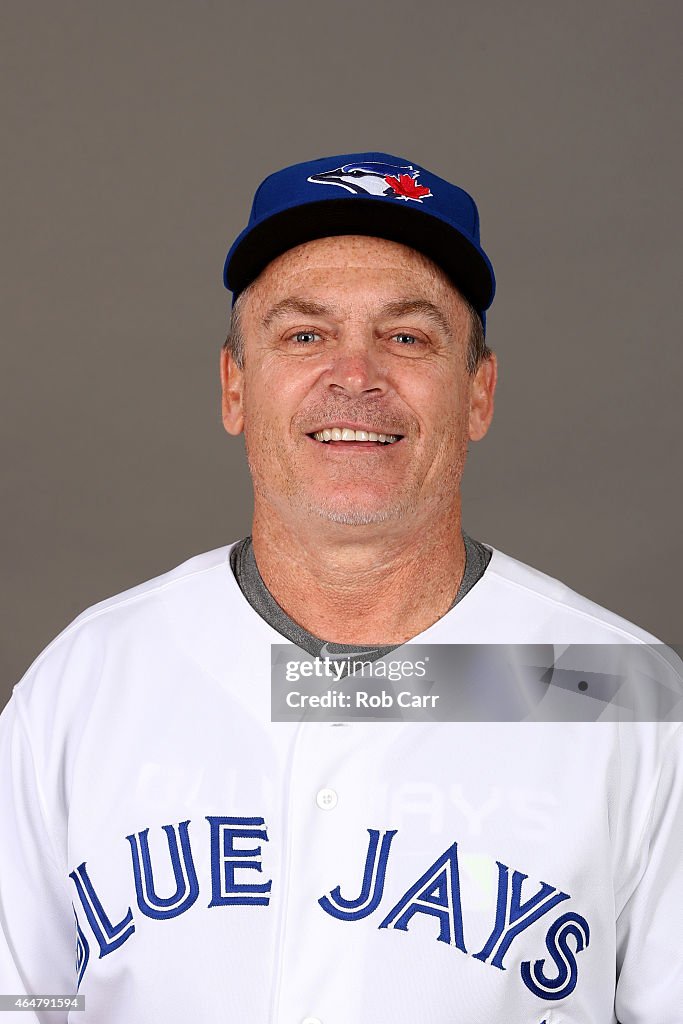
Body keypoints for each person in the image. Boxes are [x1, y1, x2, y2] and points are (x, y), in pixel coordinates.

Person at [0, 151, 680, 1023]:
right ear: (234, 387)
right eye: (304, 335)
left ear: (478, 392)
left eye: (406, 336)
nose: (354, 377)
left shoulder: (620, 691)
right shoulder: (88, 678)